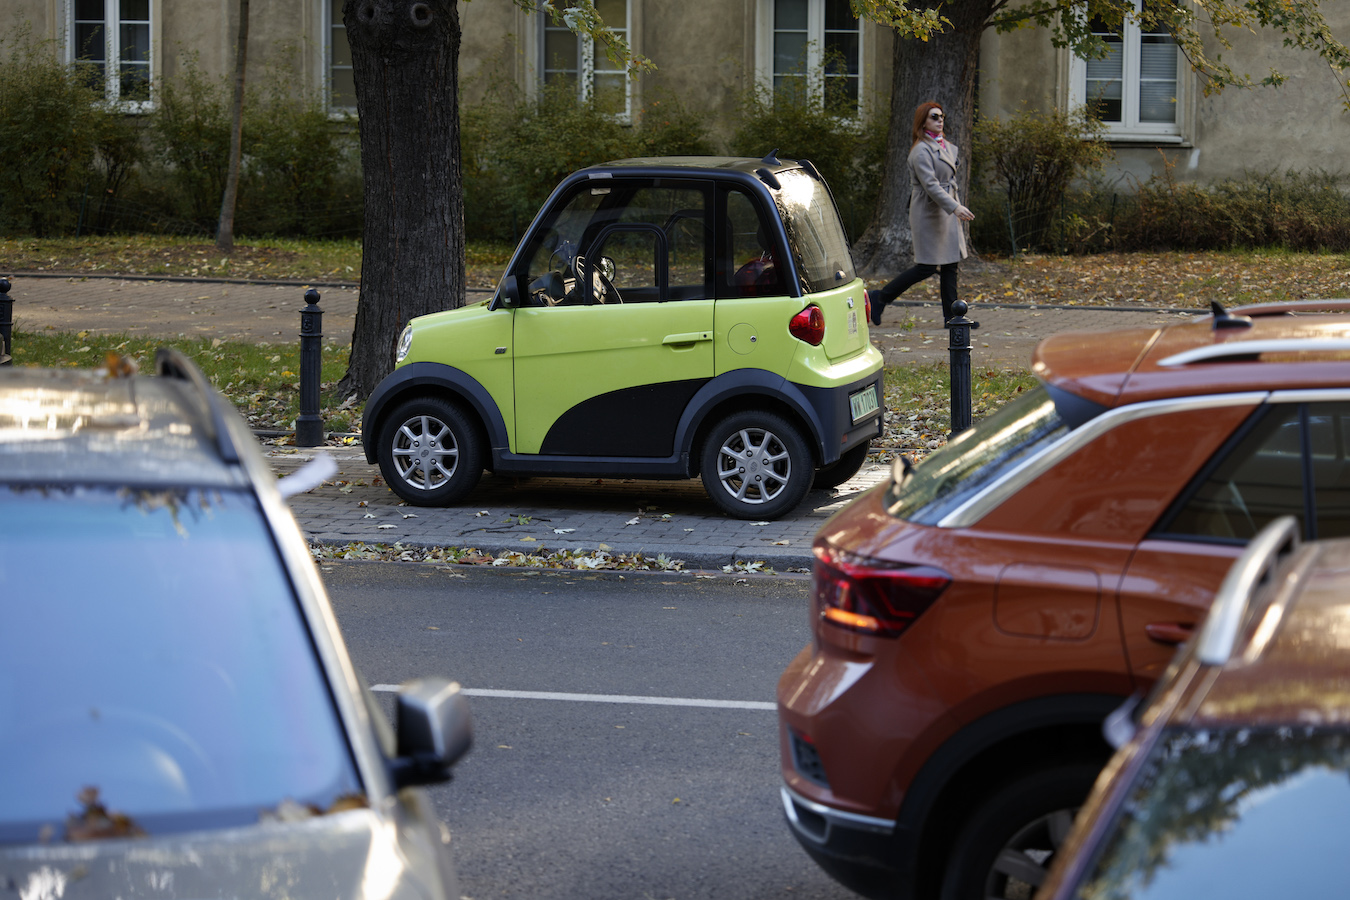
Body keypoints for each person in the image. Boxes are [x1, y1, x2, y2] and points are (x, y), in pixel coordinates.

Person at [870, 101, 975, 326]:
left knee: (950, 265)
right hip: (928, 211)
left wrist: (953, 205)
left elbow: (947, 180)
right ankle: (880, 297)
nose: (940, 120)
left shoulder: (945, 146)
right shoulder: (920, 150)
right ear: (923, 122)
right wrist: (955, 207)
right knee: (926, 266)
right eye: (934, 117)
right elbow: (931, 185)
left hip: (944, 209)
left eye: (941, 116)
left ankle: (952, 318)